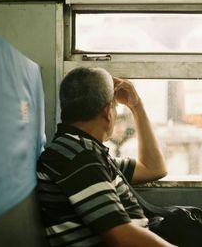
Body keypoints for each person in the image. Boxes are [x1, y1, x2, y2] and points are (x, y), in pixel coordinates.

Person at [36, 67, 175, 246]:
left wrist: (137, 106)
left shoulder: (82, 150)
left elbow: (154, 168)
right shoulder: (79, 158)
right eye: (115, 108)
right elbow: (121, 237)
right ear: (108, 112)